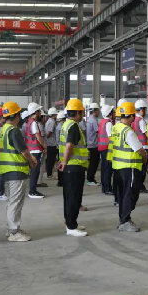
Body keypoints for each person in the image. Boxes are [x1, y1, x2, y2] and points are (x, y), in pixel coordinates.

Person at [0, 102, 38, 242]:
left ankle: (11, 229)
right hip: (16, 170)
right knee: (15, 202)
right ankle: (14, 232)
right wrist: (31, 160)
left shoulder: (4, 129)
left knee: (11, 202)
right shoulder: (14, 131)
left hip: (7, 170)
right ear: (16, 115)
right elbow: (23, 151)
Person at [111, 102, 148, 232]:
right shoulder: (128, 131)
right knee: (130, 194)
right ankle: (125, 221)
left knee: (122, 195)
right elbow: (139, 149)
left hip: (118, 166)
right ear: (131, 116)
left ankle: (123, 219)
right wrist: (145, 156)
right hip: (129, 166)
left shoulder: (116, 128)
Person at [58, 99, 90, 237]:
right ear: (77, 113)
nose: (83, 115)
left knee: (69, 196)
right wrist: (65, 161)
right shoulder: (74, 126)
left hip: (70, 166)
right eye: (82, 112)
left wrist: (63, 161)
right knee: (73, 198)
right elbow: (69, 146)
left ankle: (71, 223)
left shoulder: (66, 125)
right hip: (74, 166)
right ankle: (71, 227)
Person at [24, 102, 46, 199]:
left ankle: (33, 190)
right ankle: (32, 191)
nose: (40, 113)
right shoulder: (33, 123)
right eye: (39, 111)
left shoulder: (29, 122)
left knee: (34, 171)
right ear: (36, 112)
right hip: (35, 150)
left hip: (32, 150)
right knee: (35, 171)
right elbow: (38, 137)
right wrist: (44, 145)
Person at [98, 105, 114, 197]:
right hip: (107, 148)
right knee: (108, 169)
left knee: (104, 168)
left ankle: (104, 188)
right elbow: (110, 137)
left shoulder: (102, 122)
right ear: (110, 113)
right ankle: (108, 188)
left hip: (102, 148)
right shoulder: (108, 123)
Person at [133, 100, 148, 192]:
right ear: (142, 110)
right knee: (143, 168)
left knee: (139, 168)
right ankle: (141, 186)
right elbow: (146, 134)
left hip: (137, 146)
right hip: (144, 147)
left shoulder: (133, 119)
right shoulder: (141, 121)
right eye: (145, 109)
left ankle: (138, 185)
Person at [86, 102, 101, 186]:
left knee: (92, 162)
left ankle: (90, 178)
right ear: (94, 111)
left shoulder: (89, 119)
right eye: (98, 110)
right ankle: (90, 179)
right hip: (94, 145)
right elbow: (98, 132)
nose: (99, 112)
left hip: (90, 144)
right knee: (94, 163)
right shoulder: (94, 121)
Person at [45, 107, 59, 180]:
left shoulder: (48, 121)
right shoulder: (52, 122)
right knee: (51, 160)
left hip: (49, 143)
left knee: (50, 159)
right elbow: (48, 133)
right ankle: (49, 174)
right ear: (53, 115)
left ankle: (49, 173)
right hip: (52, 144)